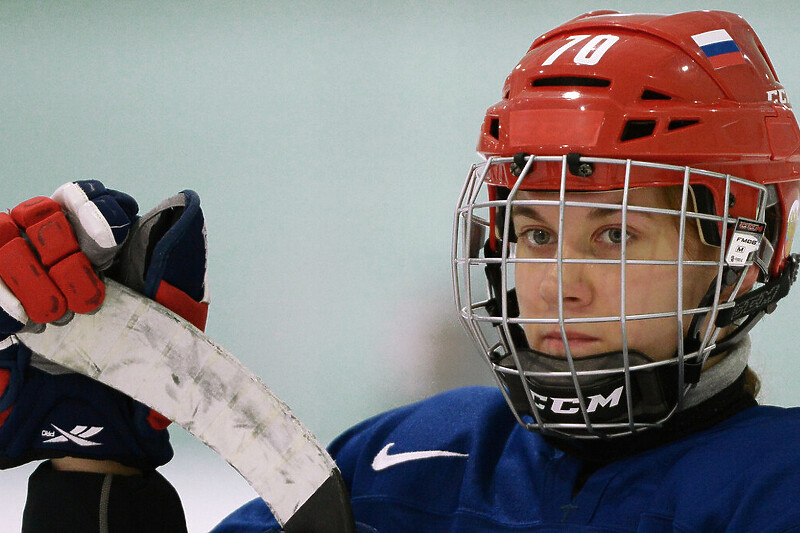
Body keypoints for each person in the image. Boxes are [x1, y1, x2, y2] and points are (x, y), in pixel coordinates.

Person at [4, 8, 800, 532]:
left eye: (615, 236)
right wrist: (95, 473)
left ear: (739, 256)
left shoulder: (776, 485)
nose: (560, 282)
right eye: (531, 232)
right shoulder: (403, 457)